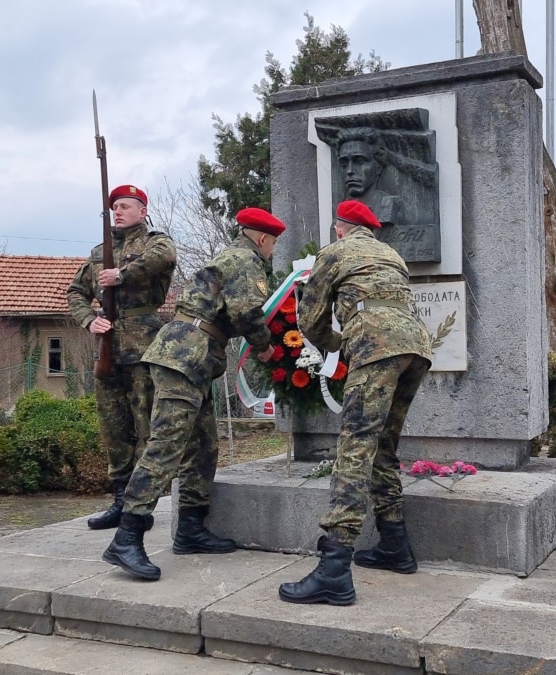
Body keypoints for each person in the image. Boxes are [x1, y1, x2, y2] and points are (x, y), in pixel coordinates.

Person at [101, 207, 284, 581]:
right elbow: (248, 313)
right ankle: (127, 536)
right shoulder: (244, 258)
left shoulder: (231, 256)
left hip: (195, 355)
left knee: (202, 446)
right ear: (263, 238)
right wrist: (264, 348)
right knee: (166, 445)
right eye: (273, 246)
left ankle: (190, 529)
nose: (271, 252)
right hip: (185, 355)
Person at [278, 199, 432, 605]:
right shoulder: (391, 255)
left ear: (339, 228)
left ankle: (334, 568)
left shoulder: (335, 252)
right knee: (381, 444)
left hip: (374, 344)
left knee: (355, 446)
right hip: (416, 346)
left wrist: (337, 348)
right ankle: (395, 545)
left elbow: (309, 318)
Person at [67, 184, 176, 532]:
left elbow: (166, 258)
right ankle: (119, 500)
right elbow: (75, 292)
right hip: (108, 349)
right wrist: (89, 320)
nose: (119, 211)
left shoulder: (155, 242)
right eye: (115, 207)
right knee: (114, 427)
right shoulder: (100, 252)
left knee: (146, 425)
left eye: (126, 206)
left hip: (143, 346)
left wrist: (122, 274)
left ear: (143, 211)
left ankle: (140, 506)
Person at [336, 128, 404, 228]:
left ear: (378, 166)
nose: (349, 171)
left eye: (359, 162)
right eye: (344, 164)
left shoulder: (389, 204)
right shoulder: (341, 212)